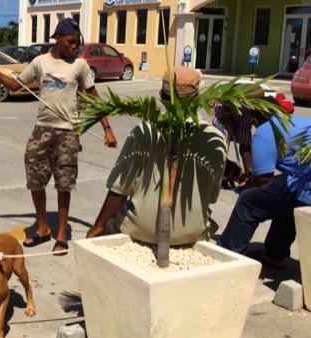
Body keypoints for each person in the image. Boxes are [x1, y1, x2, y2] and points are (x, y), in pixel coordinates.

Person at [0, 18, 117, 252]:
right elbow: (15, 86)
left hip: (67, 133)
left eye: (78, 42)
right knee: (35, 180)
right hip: (41, 130)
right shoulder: (40, 62)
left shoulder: (80, 66)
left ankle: (62, 234)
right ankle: (43, 227)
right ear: (57, 39)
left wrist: (107, 128)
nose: (75, 47)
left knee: (64, 184)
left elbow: (94, 98)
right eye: (71, 42)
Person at [87, 67, 227, 245]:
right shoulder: (215, 136)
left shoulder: (146, 130)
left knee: (109, 225)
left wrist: (97, 227)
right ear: (198, 98)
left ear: (161, 94)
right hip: (193, 232)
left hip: (141, 229)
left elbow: (119, 189)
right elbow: (212, 197)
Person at [218, 99, 311, 268]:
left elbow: (262, 180)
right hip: (305, 181)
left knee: (248, 200)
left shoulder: (265, 132)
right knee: (283, 189)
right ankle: (275, 253)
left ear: (253, 121)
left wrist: (247, 184)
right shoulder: (295, 122)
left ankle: (228, 254)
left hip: (306, 187)